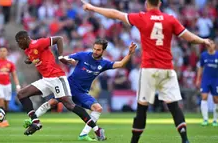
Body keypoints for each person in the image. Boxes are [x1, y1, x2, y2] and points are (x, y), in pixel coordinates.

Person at [81, 0, 212, 143]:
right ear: (160, 3)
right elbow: (190, 38)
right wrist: (203, 41)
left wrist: (92, 7)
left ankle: (134, 141)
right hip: (167, 68)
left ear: (146, 4)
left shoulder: (142, 17)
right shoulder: (170, 19)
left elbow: (115, 14)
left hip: (149, 69)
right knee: (174, 106)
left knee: (142, 108)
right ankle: (185, 139)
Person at [24, 39, 137, 141]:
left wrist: (129, 54)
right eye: (94, 48)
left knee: (98, 108)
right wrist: (67, 60)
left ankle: (83, 135)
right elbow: (67, 58)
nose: (95, 51)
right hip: (68, 86)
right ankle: (32, 119)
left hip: (82, 92)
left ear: (103, 51)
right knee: (52, 103)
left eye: (98, 50)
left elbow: (120, 64)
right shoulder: (83, 55)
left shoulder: (104, 64)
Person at [15, 31, 105, 140]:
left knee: (69, 105)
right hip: (46, 79)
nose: (18, 46)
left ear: (23, 39)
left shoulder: (38, 43)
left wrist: (61, 55)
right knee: (21, 94)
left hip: (57, 78)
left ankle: (96, 129)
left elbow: (59, 39)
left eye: (18, 42)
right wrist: (29, 59)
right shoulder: (28, 50)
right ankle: (35, 121)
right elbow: (36, 55)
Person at [0, 47, 21, 127]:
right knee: (1, 101)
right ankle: (1, 121)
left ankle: (3, 118)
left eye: (4, 51)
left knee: (6, 104)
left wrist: (18, 86)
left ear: (7, 53)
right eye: (1, 51)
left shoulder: (10, 63)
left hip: (7, 85)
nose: (2, 52)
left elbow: (14, 75)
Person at [196, 41, 218, 126]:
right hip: (205, 79)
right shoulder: (203, 55)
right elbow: (201, 67)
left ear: (214, 45)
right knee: (204, 97)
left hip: (216, 80)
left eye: (211, 43)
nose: (209, 45)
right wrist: (198, 79)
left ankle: (215, 120)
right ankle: (205, 119)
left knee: (216, 99)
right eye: (208, 44)